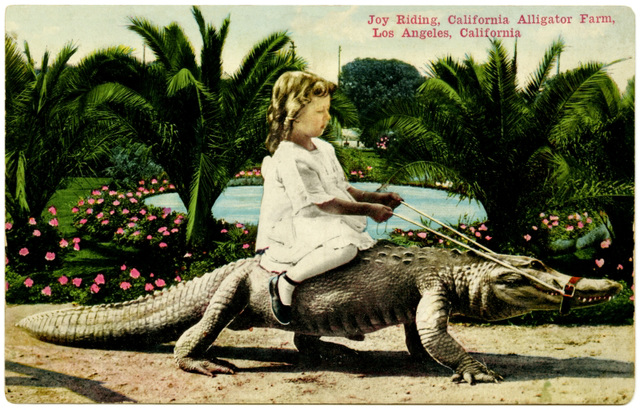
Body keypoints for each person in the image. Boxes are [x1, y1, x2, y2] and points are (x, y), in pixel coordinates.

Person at [256, 71, 403, 325]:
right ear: (295, 113)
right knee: (344, 248)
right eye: (319, 111)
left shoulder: (324, 148)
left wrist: (377, 197)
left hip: (320, 220)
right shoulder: (290, 156)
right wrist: (369, 210)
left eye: (328, 110)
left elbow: (342, 189)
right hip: (296, 227)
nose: (327, 118)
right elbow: (323, 203)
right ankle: (286, 282)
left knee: (353, 245)